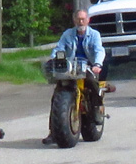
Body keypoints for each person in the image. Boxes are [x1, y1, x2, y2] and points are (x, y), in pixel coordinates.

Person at [43, 9, 105, 145]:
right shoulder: (68, 34)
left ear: (88, 20)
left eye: (83, 19)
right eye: (78, 19)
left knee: (92, 83)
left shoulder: (94, 35)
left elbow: (99, 50)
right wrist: (54, 58)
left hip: (88, 66)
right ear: (74, 20)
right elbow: (59, 48)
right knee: (57, 95)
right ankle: (53, 132)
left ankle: (96, 109)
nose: (80, 22)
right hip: (70, 68)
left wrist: (97, 64)